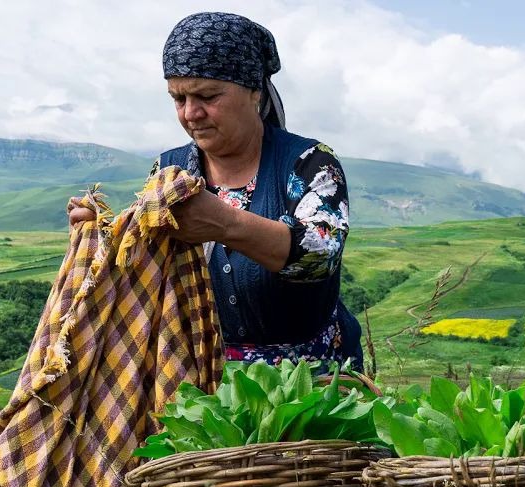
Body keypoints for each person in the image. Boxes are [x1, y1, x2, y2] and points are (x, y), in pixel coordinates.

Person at [69, 12, 363, 369]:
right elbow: (147, 270)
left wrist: (224, 223)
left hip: (312, 383)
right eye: (178, 99)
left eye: (207, 96)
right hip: (204, 384)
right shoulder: (169, 171)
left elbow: (321, 255)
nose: (191, 113)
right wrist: (99, 242)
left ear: (254, 90)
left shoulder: (308, 162)